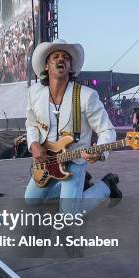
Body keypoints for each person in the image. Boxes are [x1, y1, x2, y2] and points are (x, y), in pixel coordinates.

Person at [24, 39, 121, 213]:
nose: (61, 59)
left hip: (75, 160)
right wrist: (34, 144)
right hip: (47, 162)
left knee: (69, 215)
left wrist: (99, 151)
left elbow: (107, 130)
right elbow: (31, 124)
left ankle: (106, 186)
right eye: (55, 56)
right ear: (46, 65)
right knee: (31, 201)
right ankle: (77, 188)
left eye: (66, 58)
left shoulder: (86, 96)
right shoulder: (34, 93)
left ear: (70, 67)